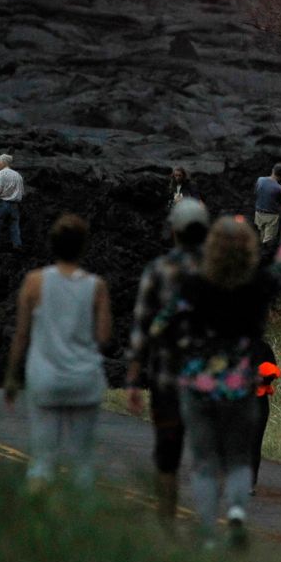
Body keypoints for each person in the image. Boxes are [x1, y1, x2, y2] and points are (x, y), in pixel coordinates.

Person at [166, 206, 281, 548]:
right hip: (240, 383)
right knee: (240, 457)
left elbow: (170, 324)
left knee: (206, 461)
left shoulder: (195, 284)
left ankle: (209, 529)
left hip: (200, 383)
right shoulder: (255, 285)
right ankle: (238, 510)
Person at [4, 214, 112, 491]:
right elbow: (104, 337)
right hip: (84, 379)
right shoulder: (96, 286)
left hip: (45, 377)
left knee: (42, 460)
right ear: (83, 247)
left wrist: (12, 376)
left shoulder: (34, 281)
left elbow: (21, 335)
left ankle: (39, 524)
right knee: (82, 461)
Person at [124, 197, 211, 524]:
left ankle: (166, 524)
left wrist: (133, 378)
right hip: (209, 381)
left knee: (167, 456)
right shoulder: (219, 273)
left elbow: (142, 328)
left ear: (174, 230)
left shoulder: (158, 271)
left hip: (167, 380)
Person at [249, 336, 279, 495]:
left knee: (254, 442)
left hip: (258, 401)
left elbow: (272, 371)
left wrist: (260, 377)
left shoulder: (263, 347)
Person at [252, 162, 281, 245]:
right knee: (268, 241)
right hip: (271, 217)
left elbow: (255, 192)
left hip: (259, 213)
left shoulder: (260, 180)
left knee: (261, 238)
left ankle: (260, 254)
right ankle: (265, 256)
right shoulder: (279, 188)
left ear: (273, 170)